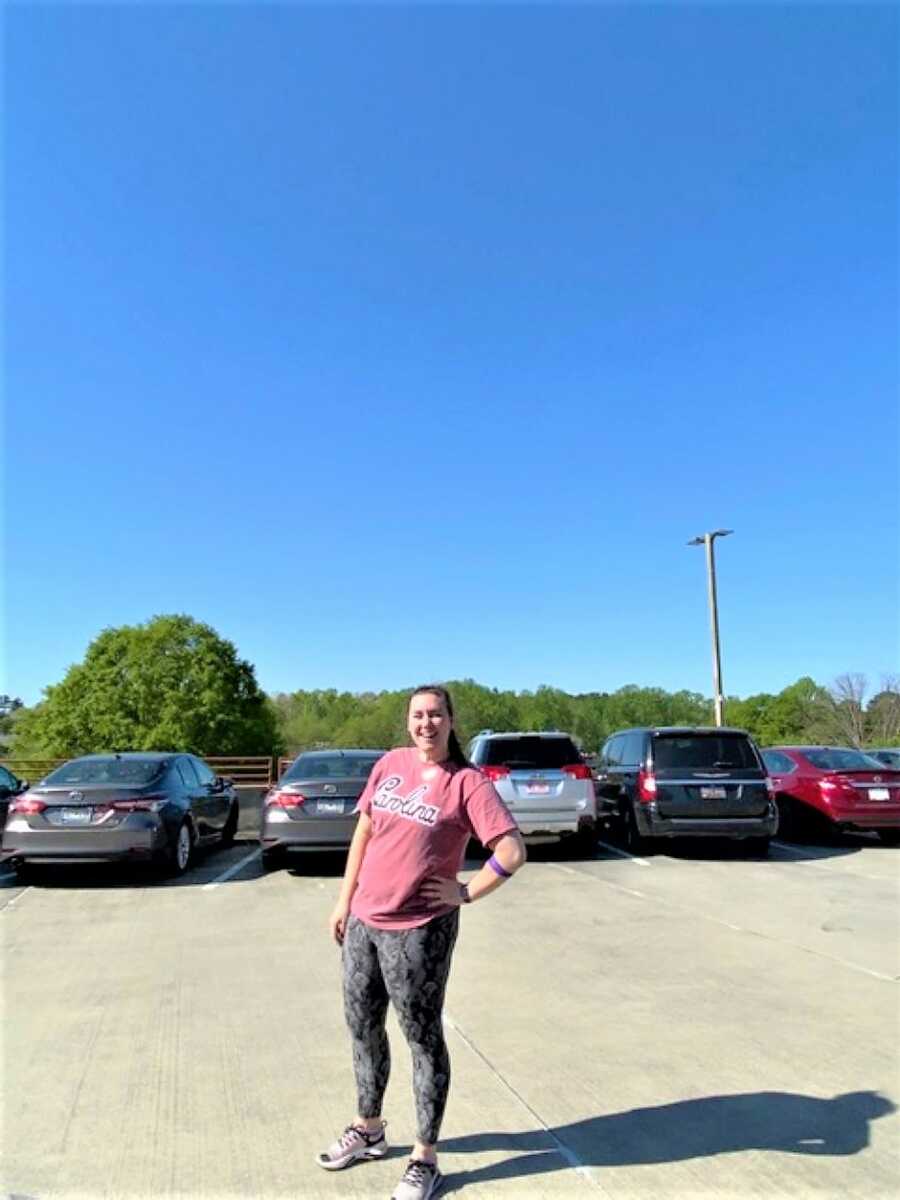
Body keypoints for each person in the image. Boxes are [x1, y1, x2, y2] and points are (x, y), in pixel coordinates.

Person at [317, 683, 526, 1200]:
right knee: (363, 1027)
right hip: (366, 921)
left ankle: (424, 1157)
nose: (426, 723)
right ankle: (368, 1128)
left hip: (419, 929)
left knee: (421, 1037)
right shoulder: (390, 763)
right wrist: (345, 901)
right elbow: (364, 831)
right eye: (417, 715)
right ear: (407, 721)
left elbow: (512, 849)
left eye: (435, 714)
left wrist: (467, 892)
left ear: (451, 721)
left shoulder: (466, 783)